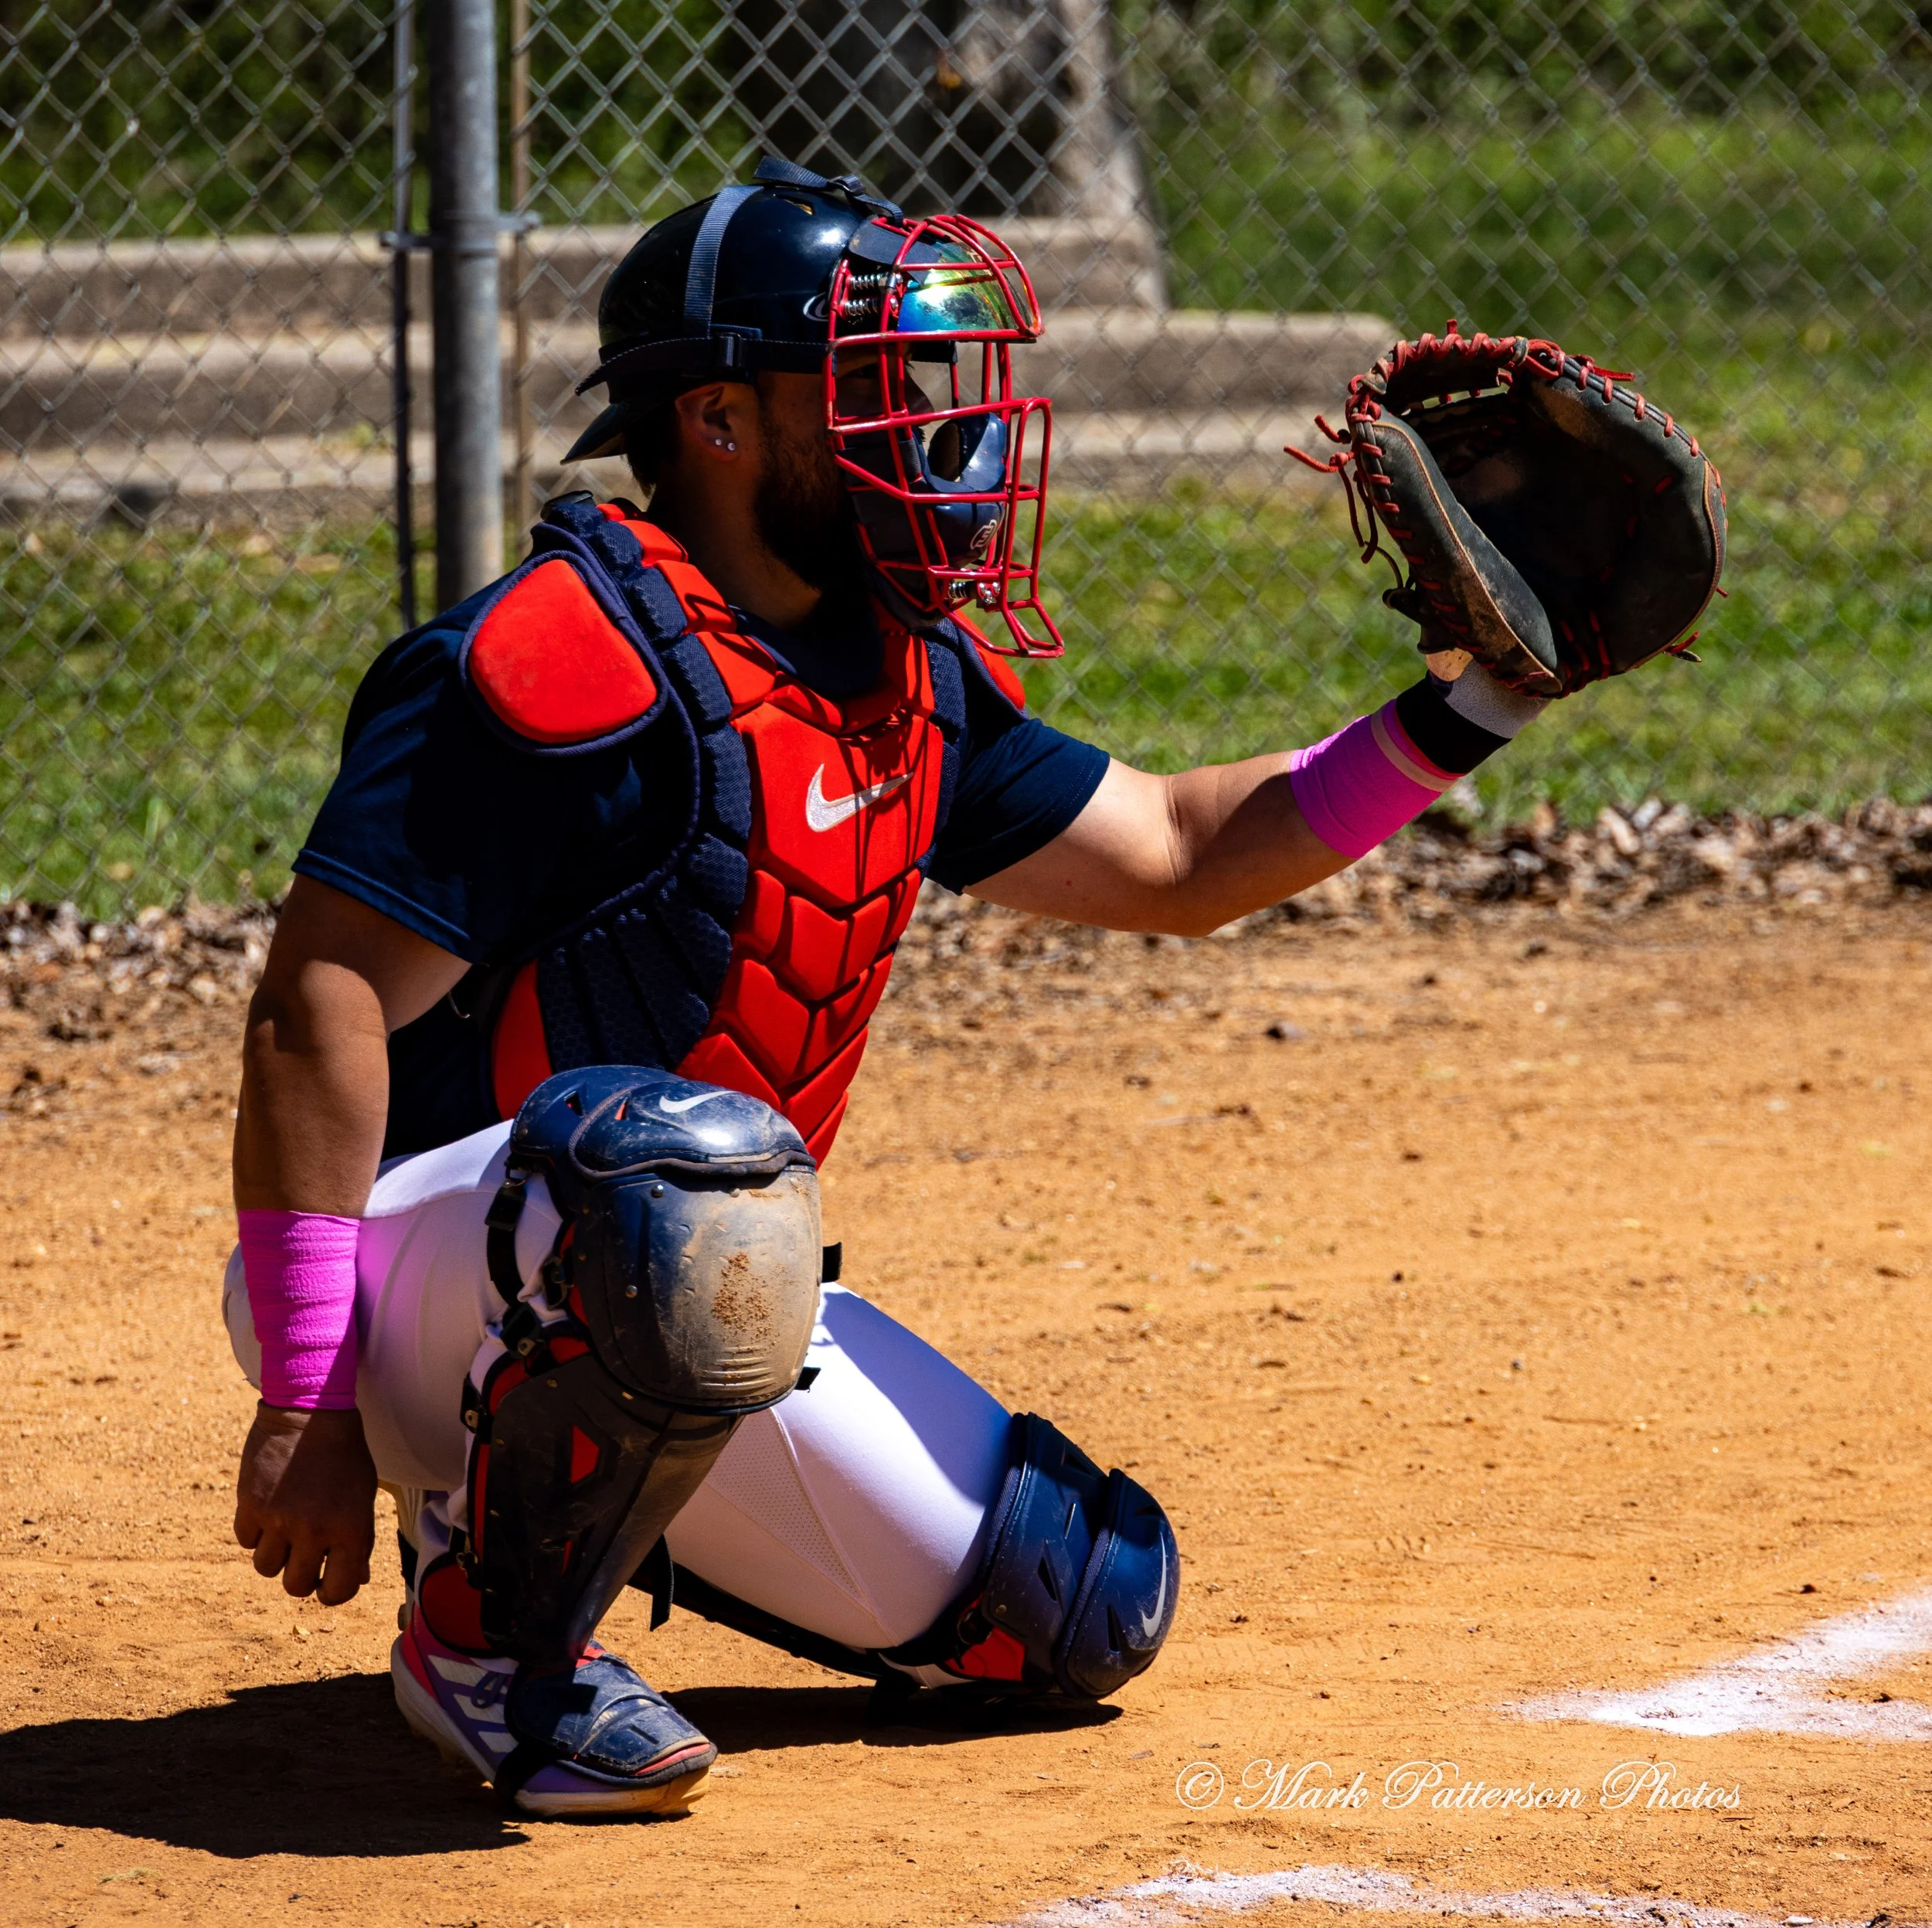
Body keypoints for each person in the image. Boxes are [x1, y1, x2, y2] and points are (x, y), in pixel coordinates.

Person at [224, 158, 1553, 1816]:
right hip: (400, 1281)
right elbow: (316, 1003)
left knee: (1073, 1601)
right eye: (874, 390)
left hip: (674, 1272)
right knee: (676, 1169)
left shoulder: (897, 667)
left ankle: (536, 1507)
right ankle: (491, 1641)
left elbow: (1175, 852)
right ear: (718, 420)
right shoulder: (558, 660)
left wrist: (1476, 703)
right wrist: (306, 1393)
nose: (940, 431)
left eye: (933, 385)